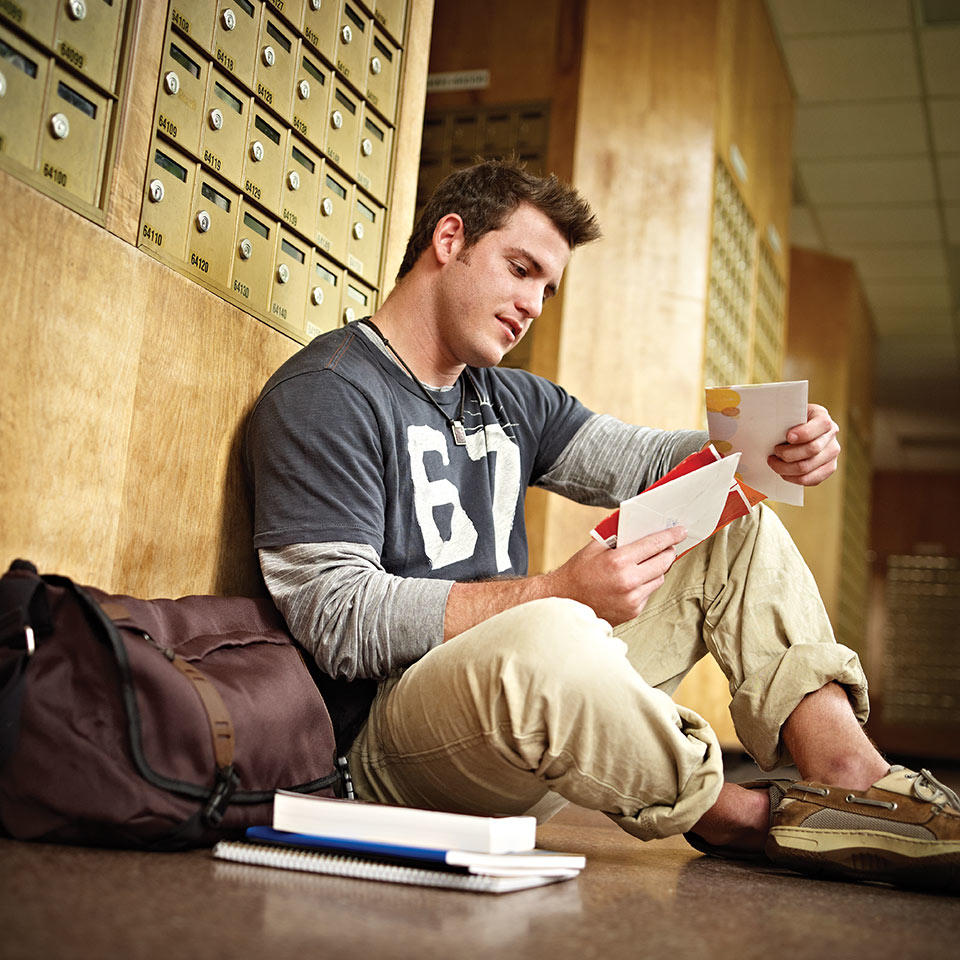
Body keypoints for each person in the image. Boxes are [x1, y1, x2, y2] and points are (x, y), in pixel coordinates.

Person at [245, 160, 959, 891]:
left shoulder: (512, 400)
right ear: (449, 239)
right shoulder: (327, 391)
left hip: (527, 720)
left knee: (730, 521)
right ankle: (751, 818)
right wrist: (555, 593)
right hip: (398, 750)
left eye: (546, 289)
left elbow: (651, 461)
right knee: (550, 632)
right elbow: (337, 618)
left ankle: (855, 782)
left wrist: (770, 445)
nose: (531, 305)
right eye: (519, 270)